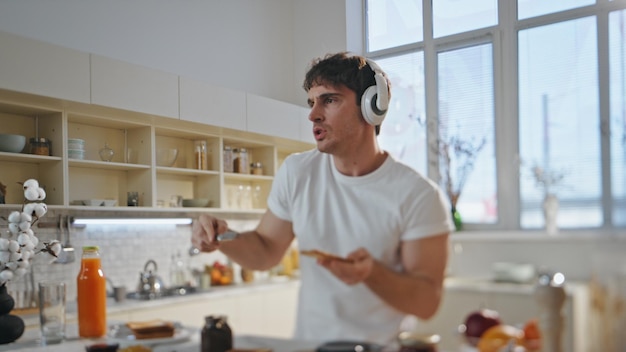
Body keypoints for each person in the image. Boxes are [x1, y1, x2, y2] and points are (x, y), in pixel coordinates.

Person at [192, 52, 454, 345]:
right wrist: (223, 236)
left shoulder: (418, 195)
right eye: (311, 102)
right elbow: (266, 251)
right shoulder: (297, 172)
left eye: (329, 100)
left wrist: (370, 272)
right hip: (310, 345)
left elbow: (426, 302)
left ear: (372, 107)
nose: (313, 114)